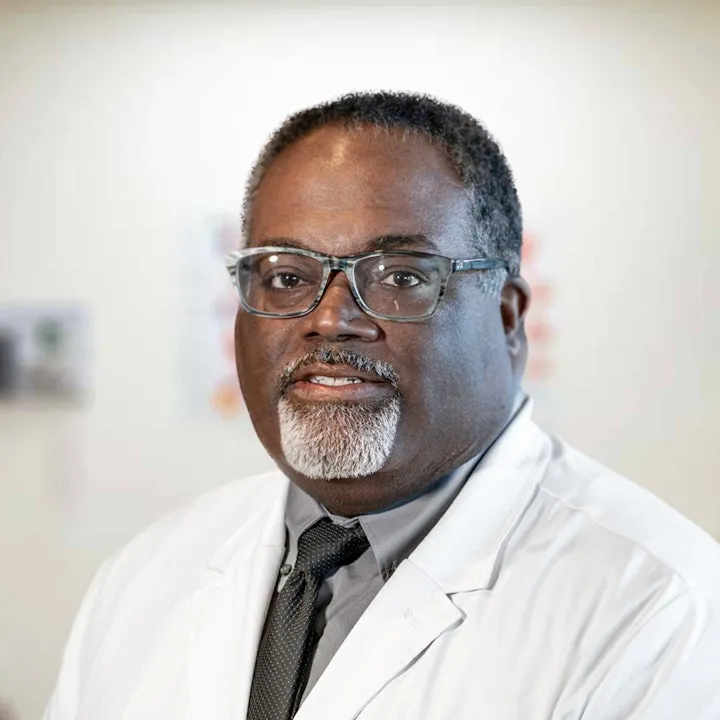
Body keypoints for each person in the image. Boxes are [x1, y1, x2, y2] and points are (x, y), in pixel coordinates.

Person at [45, 92, 720, 720]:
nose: (329, 319)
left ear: (508, 317)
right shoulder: (144, 576)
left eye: (401, 276)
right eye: (287, 276)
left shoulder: (658, 605)